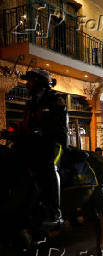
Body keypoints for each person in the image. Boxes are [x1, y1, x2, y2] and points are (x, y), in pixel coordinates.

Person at [15, 68, 68, 227]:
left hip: (54, 142)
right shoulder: (30, 102)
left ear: (40, 83)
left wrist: (41, 131)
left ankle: (55, 212)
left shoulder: (56, 99)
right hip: (33, 143)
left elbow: (59, 125)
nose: (27, 84)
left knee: (49, 167)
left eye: (30, 81)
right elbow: (26, 125)